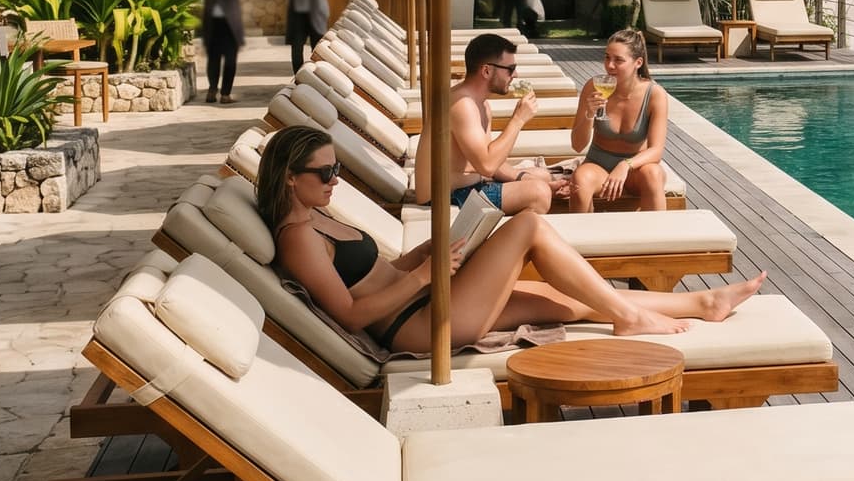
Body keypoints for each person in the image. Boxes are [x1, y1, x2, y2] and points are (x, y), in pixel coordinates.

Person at [264, 126, 765, 348]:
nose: (335, 181)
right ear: (289, 177)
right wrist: (423, 275)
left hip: (425, 298)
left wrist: (428, 251)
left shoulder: (316, 217)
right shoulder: (297, 238)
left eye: (336, 170)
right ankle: (631, 318)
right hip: (417, 325)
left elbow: (375, 275)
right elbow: (350, 316)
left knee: (563, 299)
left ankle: (704, 302)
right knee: (527, 224)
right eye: (325, 173)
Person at [411, 32, 553, 215]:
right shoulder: (462, 105)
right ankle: (519, 229)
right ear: (486, 71)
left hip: (467, 187)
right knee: (539, 193)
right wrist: (518, 120)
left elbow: (491, 160)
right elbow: (487, 166)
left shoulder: (481, 105)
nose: (515, 75)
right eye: (510, 69)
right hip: (443, 198)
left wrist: (524, 177)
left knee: (543, 177)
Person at [568, 29, 672, 212]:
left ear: (638, 63)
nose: (610, 65)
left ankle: (657, 230)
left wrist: (625, 165)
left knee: (653, 174)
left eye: (618, 60)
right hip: (598, 166)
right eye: (607, 57)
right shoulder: (594, 87)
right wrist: (589, 114)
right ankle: (583, 230)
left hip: (635, 171)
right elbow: (577, 145)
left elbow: (656, 151)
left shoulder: (655, 95)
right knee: (579, 181)